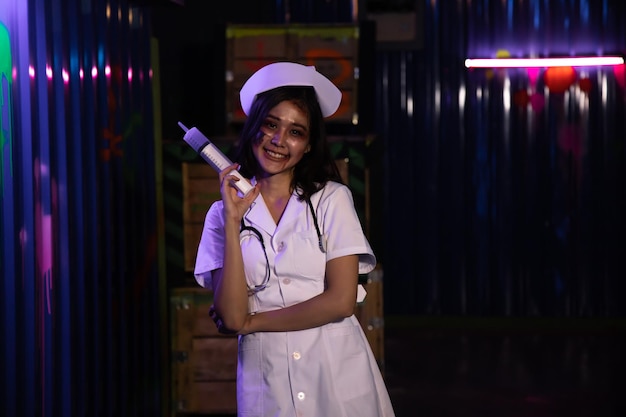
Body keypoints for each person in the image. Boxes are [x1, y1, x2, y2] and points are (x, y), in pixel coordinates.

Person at [194, 61, 395, 417]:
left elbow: (341, 302)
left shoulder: (331, 199)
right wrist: (231, 220)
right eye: (271, 124)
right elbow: (229, 316)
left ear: (308, 145)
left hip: (336, 378)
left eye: (295, 132)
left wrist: (254, 322)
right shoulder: (219, 215)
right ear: (254, 127)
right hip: (267, 385)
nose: (278, 141)